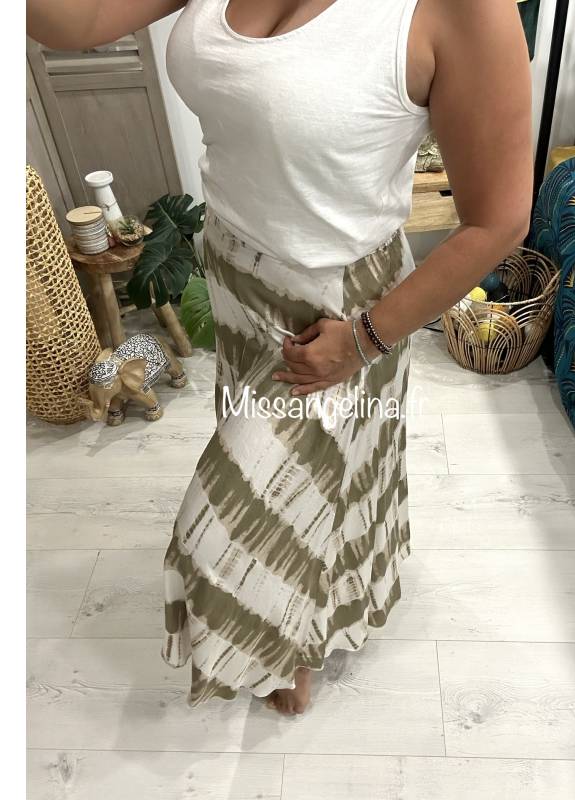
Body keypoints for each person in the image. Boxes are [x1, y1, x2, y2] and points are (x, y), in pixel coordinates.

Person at [28, 0, 532, 716]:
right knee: (310, 483)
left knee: (225, 528)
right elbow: (73, 21)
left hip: (340, 309)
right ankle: (294, 635)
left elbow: (500, 219)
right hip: (235, 275)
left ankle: (299, 622)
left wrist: (364, 338)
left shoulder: (461, 10)